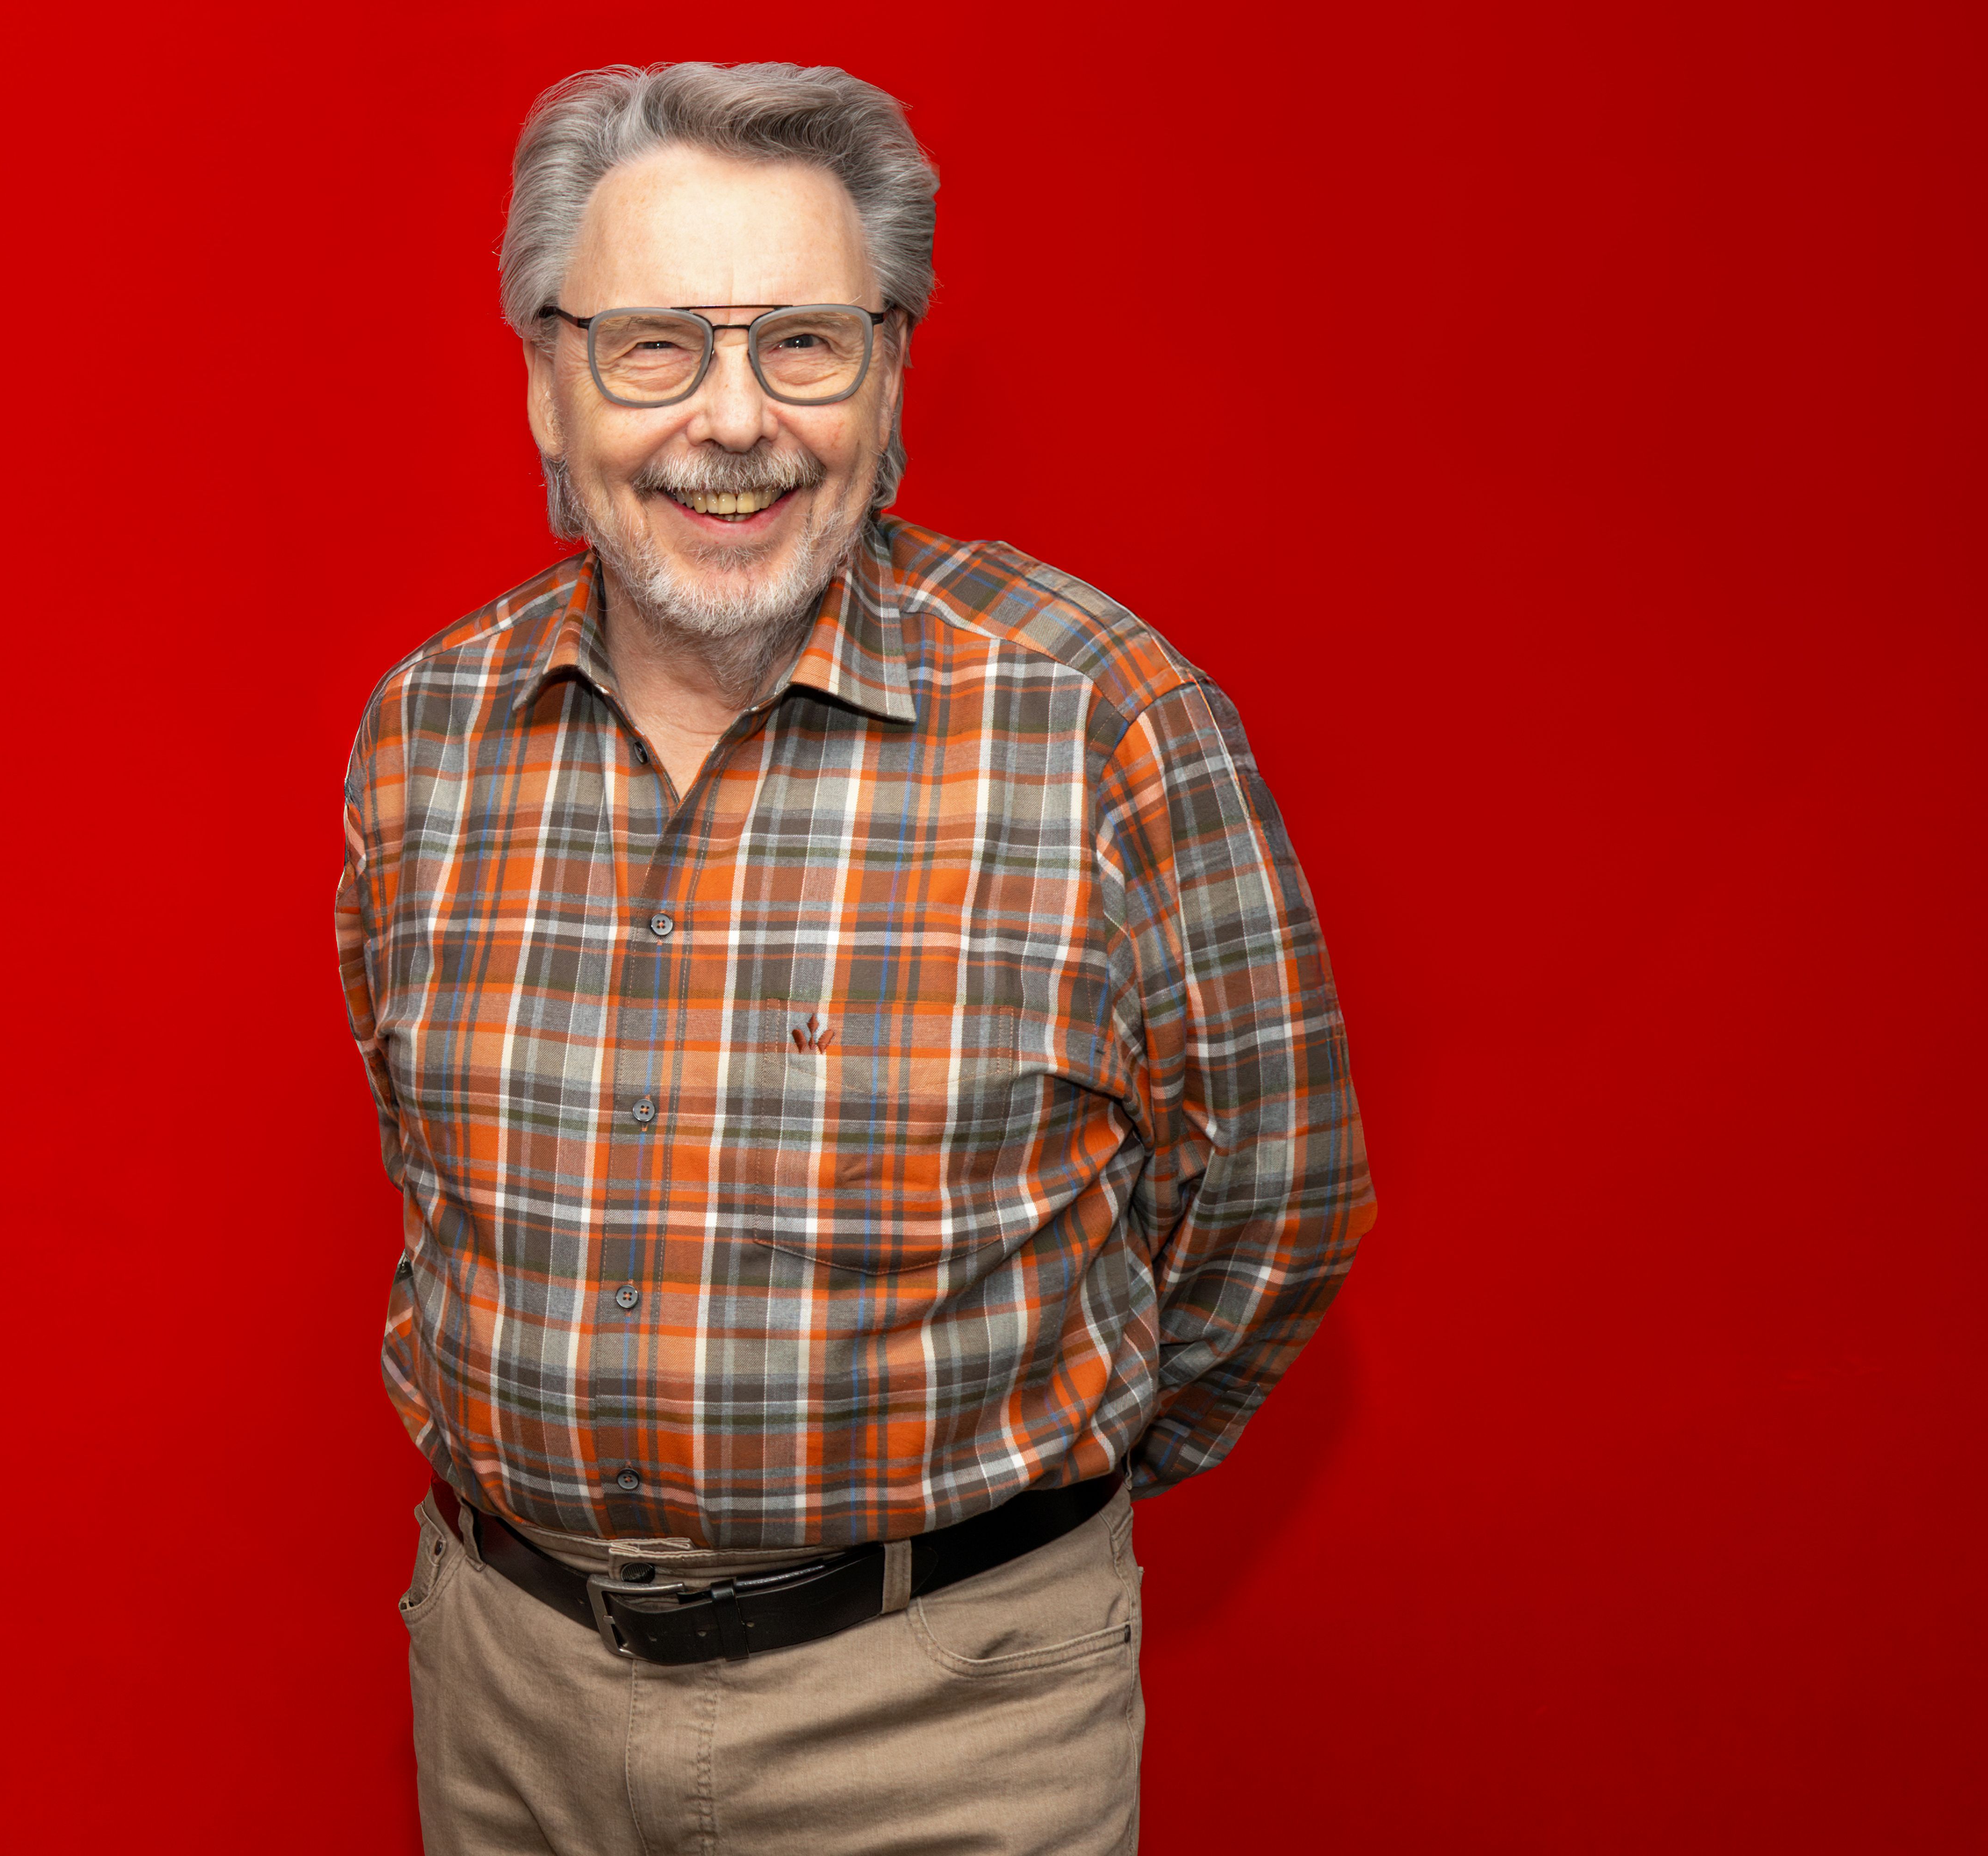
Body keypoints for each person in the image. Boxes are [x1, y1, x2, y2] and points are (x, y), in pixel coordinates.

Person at [334, 60, 1374, 1855]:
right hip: (507, 1702)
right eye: (654, 347)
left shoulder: (1100, 722)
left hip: (944, 1727)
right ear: (546, 386)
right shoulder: (427, 734)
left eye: (805, 344)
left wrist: (1014, 1529)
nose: (735, 420)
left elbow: (1277, 1205)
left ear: (888, 378)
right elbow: (427, 1172)